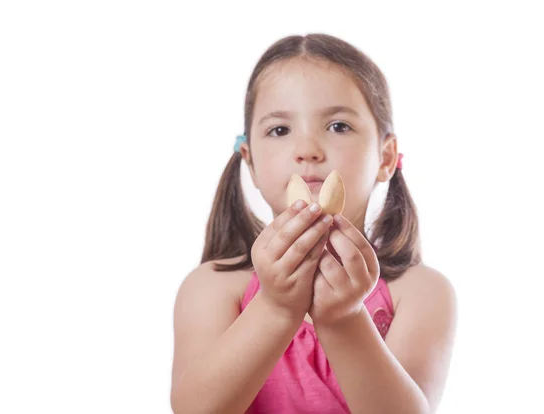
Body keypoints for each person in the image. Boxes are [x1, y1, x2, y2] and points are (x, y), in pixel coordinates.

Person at [170, 33, 457, 414]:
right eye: (279, 130)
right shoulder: (212, 286)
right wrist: (274, 308)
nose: (307, 151)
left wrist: (345, 318)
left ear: (386, 157)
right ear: (249, 160)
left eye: (338, 126)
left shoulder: (420, 291)